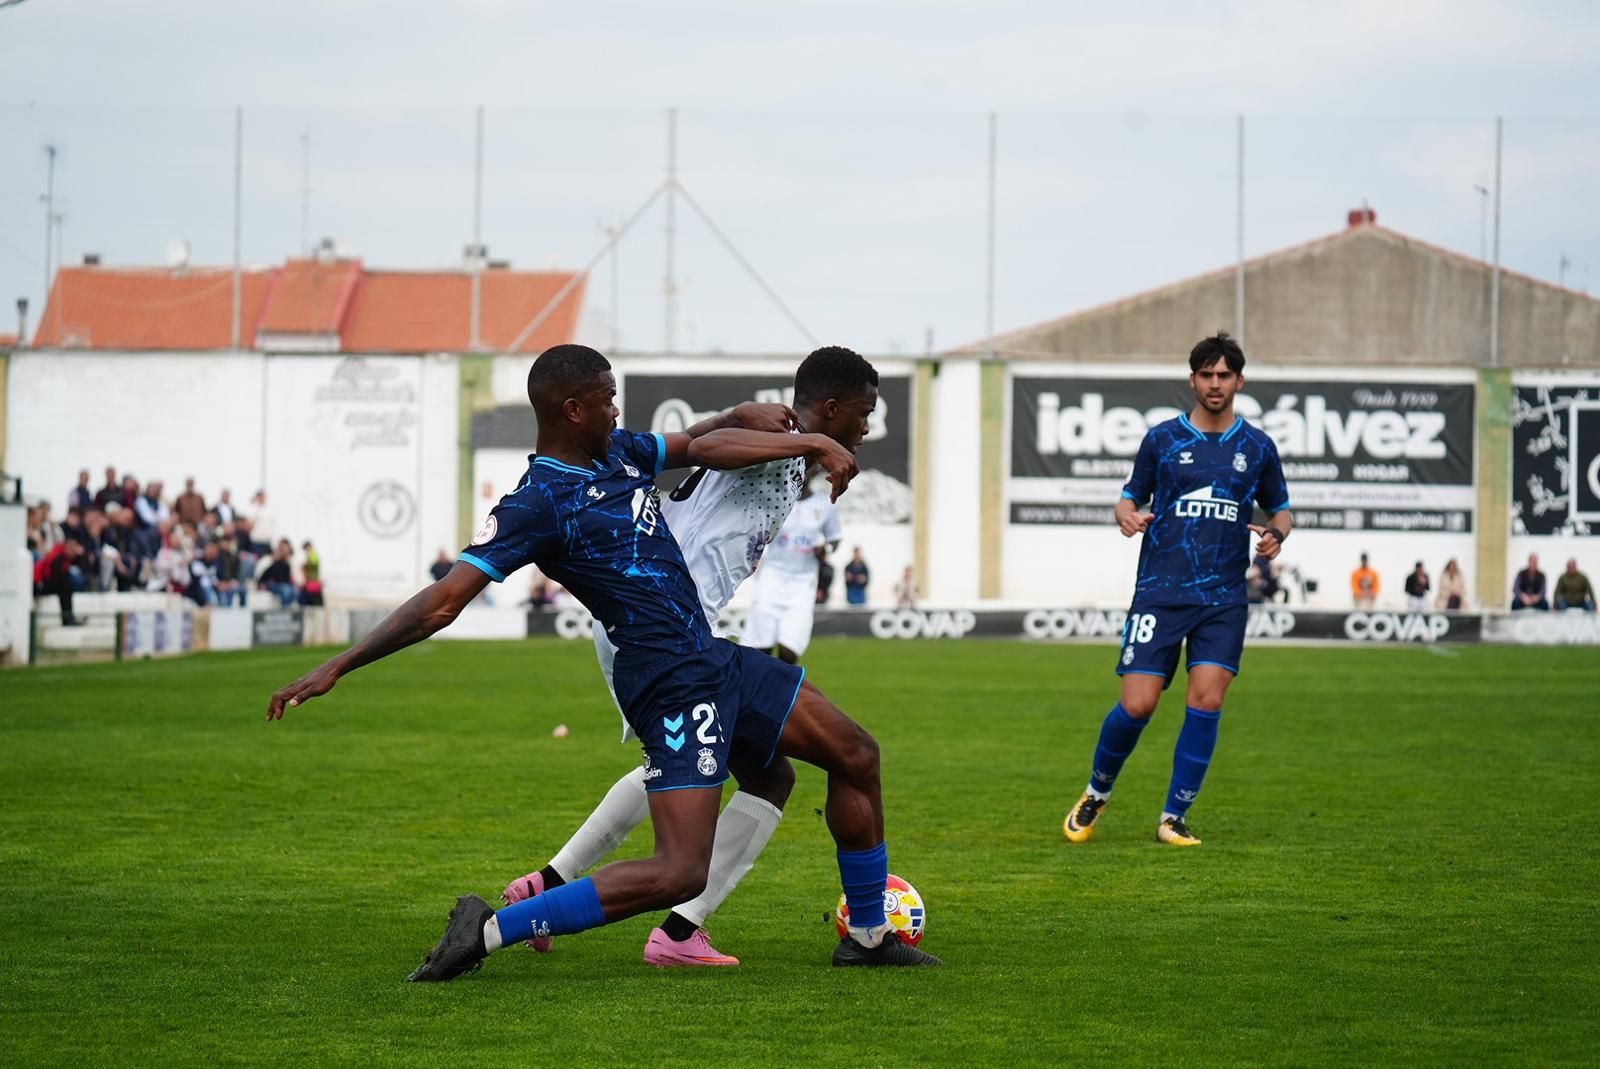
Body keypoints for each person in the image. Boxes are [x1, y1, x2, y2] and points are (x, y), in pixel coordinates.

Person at [266, 343, 938, 981]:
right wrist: (340, 664)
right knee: (679, 871)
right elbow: (443, 602)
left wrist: (739, 414)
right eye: (608, 399)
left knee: (854, 753)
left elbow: (695, 442)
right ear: (572, 409)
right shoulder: (537, 501)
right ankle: (492, 928)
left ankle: (867, 937)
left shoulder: (618, 452)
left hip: (710, 656)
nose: (618, 410)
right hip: (669, 677)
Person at [504, 345, 882, 968]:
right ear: (833, 408)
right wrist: (809, 441)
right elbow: (711, 447)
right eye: (863, 415)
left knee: (764, 774)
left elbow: (713, 441)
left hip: (672, 628)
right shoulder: (783, 438)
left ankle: (589, 897)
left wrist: (788, 437)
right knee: (692, 767)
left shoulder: (788, 446)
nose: (866, 429)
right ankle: (666, 927)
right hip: (659, 630)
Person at [1063, 332, 1291, 849]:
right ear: (1192, 380)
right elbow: (1128, 497)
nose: (1215, 383)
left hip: (1223, 598)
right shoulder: (1163, 439)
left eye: (1224, 375)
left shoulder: (1257, 447)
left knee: (1207, 700)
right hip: (1160, 592)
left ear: (1239, 381)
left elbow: (1281, 510)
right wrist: (1126, 517)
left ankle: (1174, 817)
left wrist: (1276, 536)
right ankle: (1097, 791)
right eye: (1206, 375)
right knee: (1138, 705)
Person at [741, 482, 842, 666]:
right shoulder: (776, 496)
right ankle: (759, 682)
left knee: (789, 650)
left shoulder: (825, 502)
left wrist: (825, 549)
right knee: (760, 647)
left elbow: (834, 540)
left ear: (816, 468)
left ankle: (781, 682)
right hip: (772, 577)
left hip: (803, 583)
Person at [34, 538, 86, 625]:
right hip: (38, 584)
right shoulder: (58, 555)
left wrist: (80, 555)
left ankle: (68, 618)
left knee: (66, 586)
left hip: (46, 582)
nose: (73, 551)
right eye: (72, 548)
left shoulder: (63, 555)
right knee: (65, 586)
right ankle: (68, 619)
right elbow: (51, 575)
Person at [258, 540, 297, 607]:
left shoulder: (287, 563)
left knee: (293, 590)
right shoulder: (272, 561)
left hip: (282, 584)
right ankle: (285, 609)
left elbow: (286, 578)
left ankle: (288, 608)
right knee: (286, 589)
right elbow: (265, 574)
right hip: (272, 584)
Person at [300, 541, 323, 606]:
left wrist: (305, 565)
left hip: (313, 583)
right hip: (311, 583)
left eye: (306, 549)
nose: (306, 551)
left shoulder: (313, 555)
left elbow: (311, 565)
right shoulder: (311, 556)